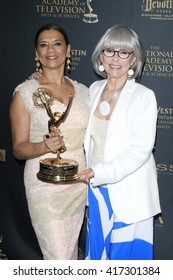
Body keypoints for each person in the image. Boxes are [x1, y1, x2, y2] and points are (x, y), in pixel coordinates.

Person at [78, 24, 161, 260]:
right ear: (100, 56)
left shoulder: (144, 96)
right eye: (109, 51)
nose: (116, 59)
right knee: (98, 258)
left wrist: (99, 171)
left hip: (130, 195)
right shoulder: (94, 89)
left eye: (124, 52)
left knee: (125, 264)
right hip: (96, 193)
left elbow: (140, 151)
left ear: (133, 59)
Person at [9, 23, 89, 260]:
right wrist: (44, 146)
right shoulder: (25, 93)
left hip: (78, 183)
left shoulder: (84, 92)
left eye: (57, 43)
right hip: (45, 186)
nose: (50, 50)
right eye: (43, 45)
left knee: (70, 255)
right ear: (36, 53)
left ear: (68, 50)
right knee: (59, 258)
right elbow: (18, 149)